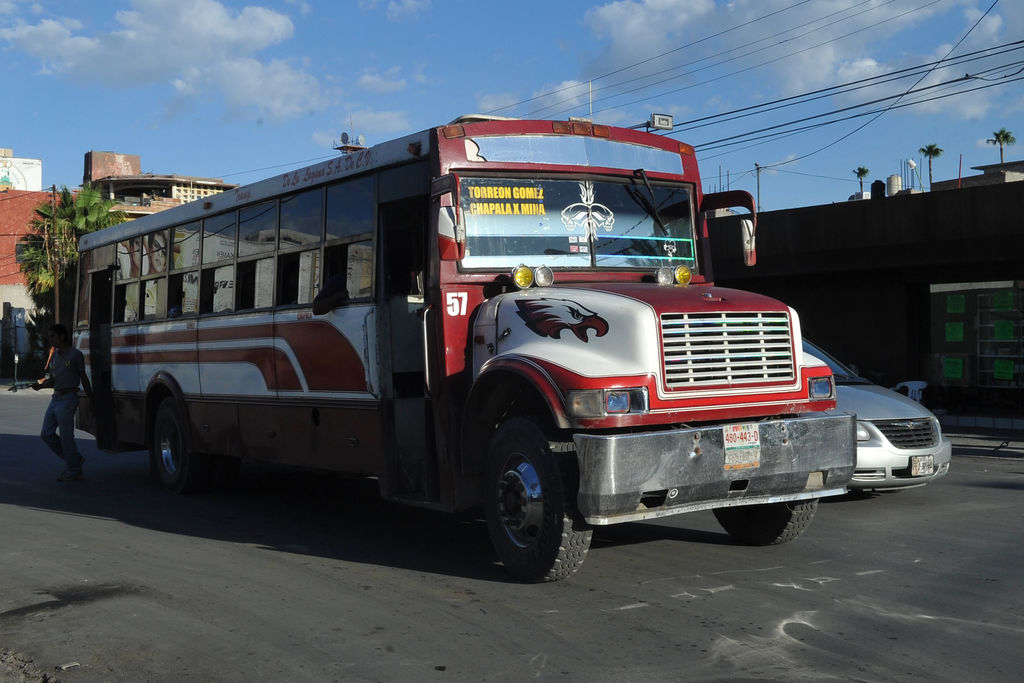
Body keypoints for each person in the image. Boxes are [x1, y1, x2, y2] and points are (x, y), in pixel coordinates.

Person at [34, 324, 94, 482]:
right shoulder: (55, 355)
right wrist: (40, 386)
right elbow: (54, 380)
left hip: (68, 399)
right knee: (46, 434)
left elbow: (83, 377)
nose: (50, 339)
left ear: (62, 336)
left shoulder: (76, 355)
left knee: (66, 437)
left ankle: (73, 469)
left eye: (53, 336)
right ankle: (74, 458)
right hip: (56, 398)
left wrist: (91, 398)